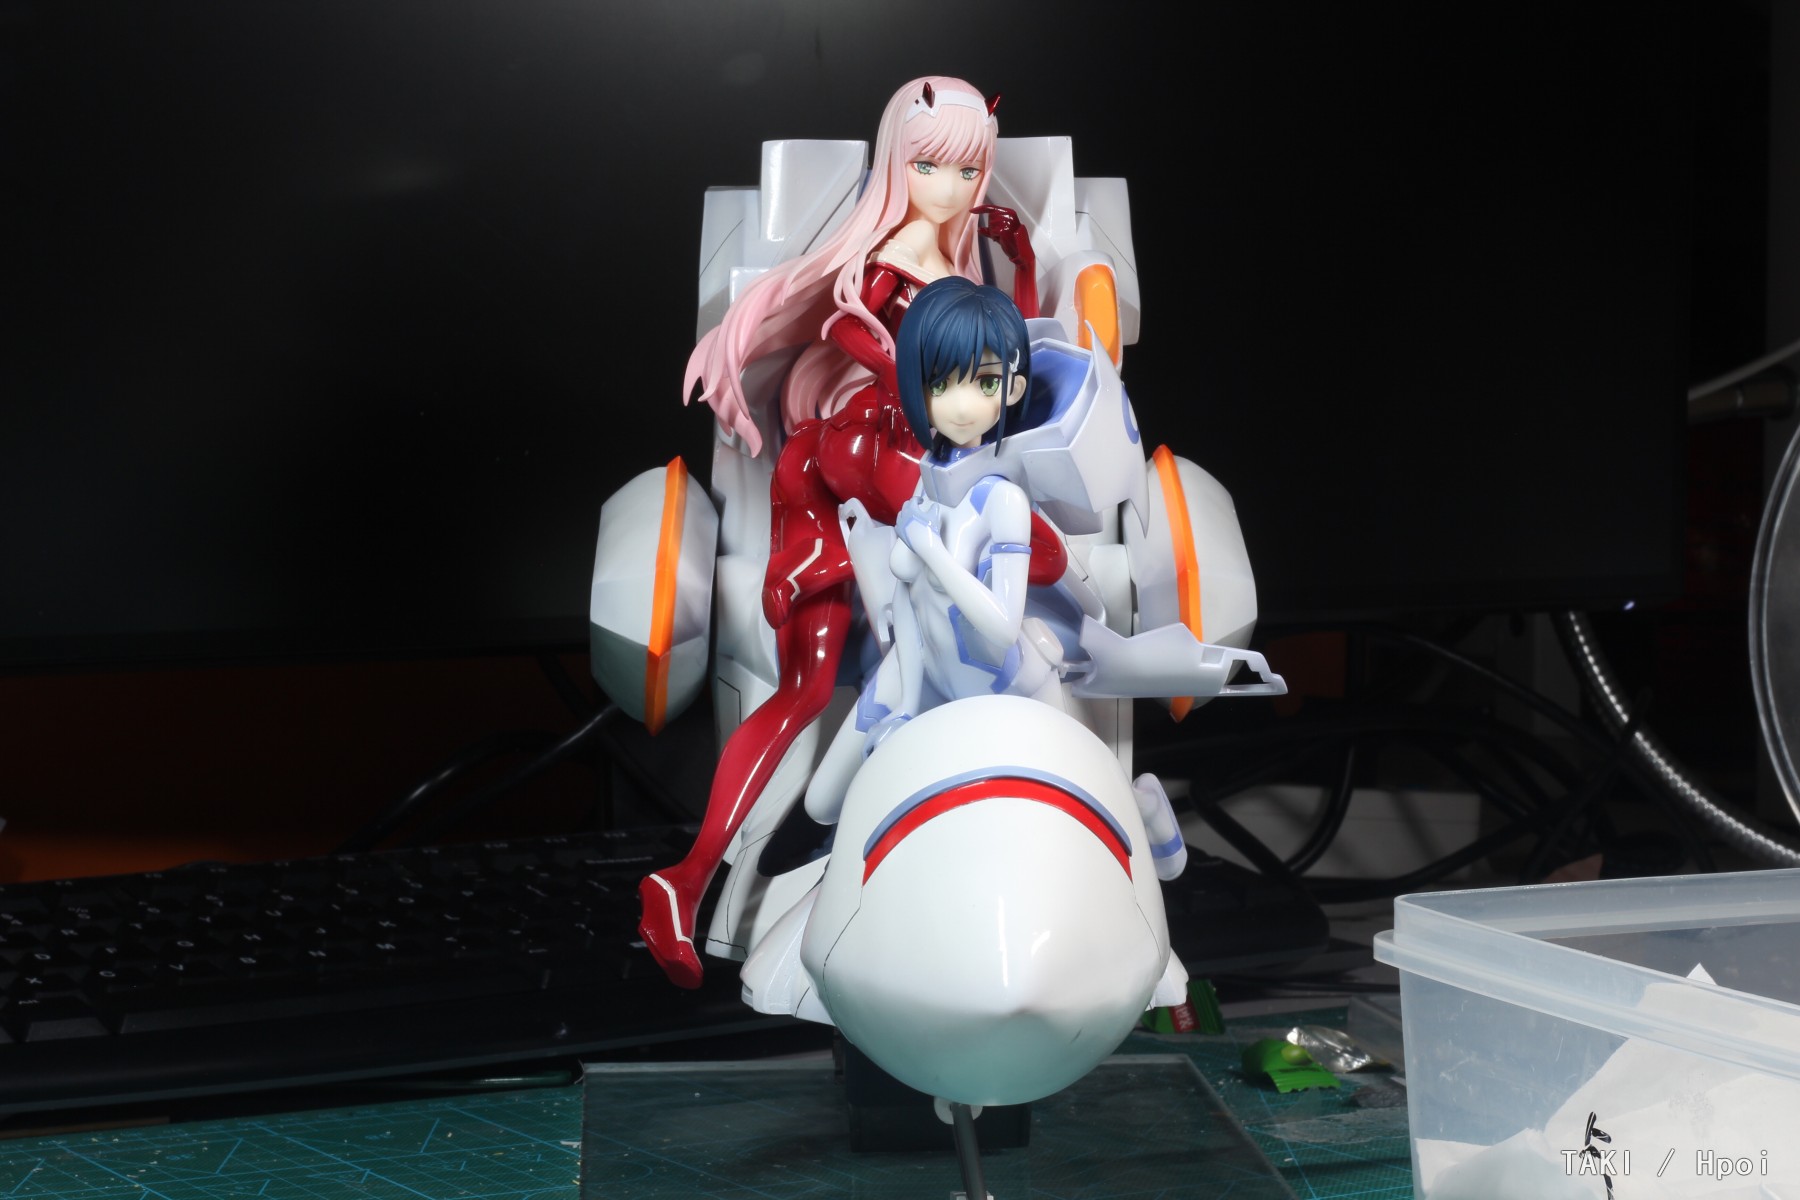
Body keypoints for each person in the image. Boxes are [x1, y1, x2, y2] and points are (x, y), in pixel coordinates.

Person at [637, 77, 1058, 989]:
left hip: (899, 484)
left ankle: (695, 880)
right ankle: (696, 876)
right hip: (856, 466)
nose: (949, 187)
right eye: (930, 165)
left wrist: (1020, 265)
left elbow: (1011, 352)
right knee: (809, 685)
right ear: (898, 160)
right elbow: (870, 340)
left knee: (841, 681)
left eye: (968, 169)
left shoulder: (957, 268)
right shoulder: (886, 270)